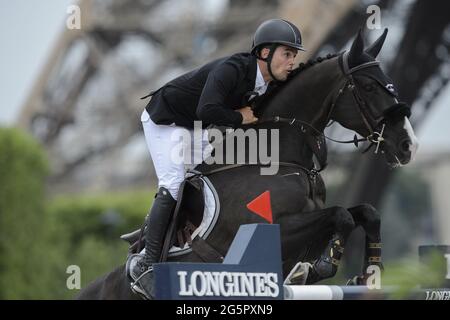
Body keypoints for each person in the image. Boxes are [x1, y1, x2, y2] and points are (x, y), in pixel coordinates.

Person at [131, 18, 305, 299]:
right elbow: (208, 108)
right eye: (287, 54)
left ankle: (176, 236)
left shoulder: (268, 82)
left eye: (294, 56)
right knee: (174, 182)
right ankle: (145, 263)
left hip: (195, 125)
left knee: (206, 176)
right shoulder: (232, 69)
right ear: (264, 53)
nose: (291, 62)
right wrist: (240, 117)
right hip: (166, 119)